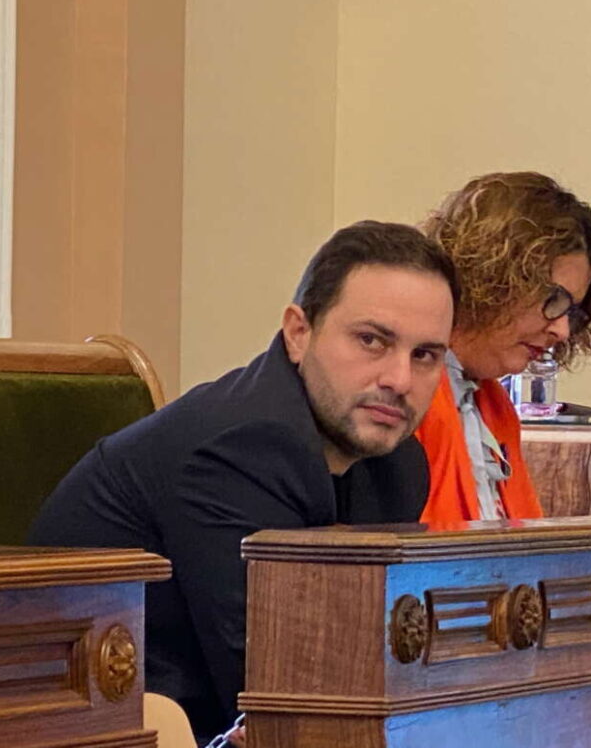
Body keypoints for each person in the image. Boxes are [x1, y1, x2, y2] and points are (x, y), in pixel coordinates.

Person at [28, 221, 457, 745]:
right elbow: (280, 686)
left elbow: (375, 663)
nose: (399, 380)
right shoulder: (236, 448)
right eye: (371, 340)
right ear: (298, 333)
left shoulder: (397, 463)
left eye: (425, 355)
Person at [416, 171, 591, 523]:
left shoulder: (496, 407)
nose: (562, 330)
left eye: (572, 312)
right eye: (553, 299)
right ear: (491, 277)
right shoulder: (401, 395)